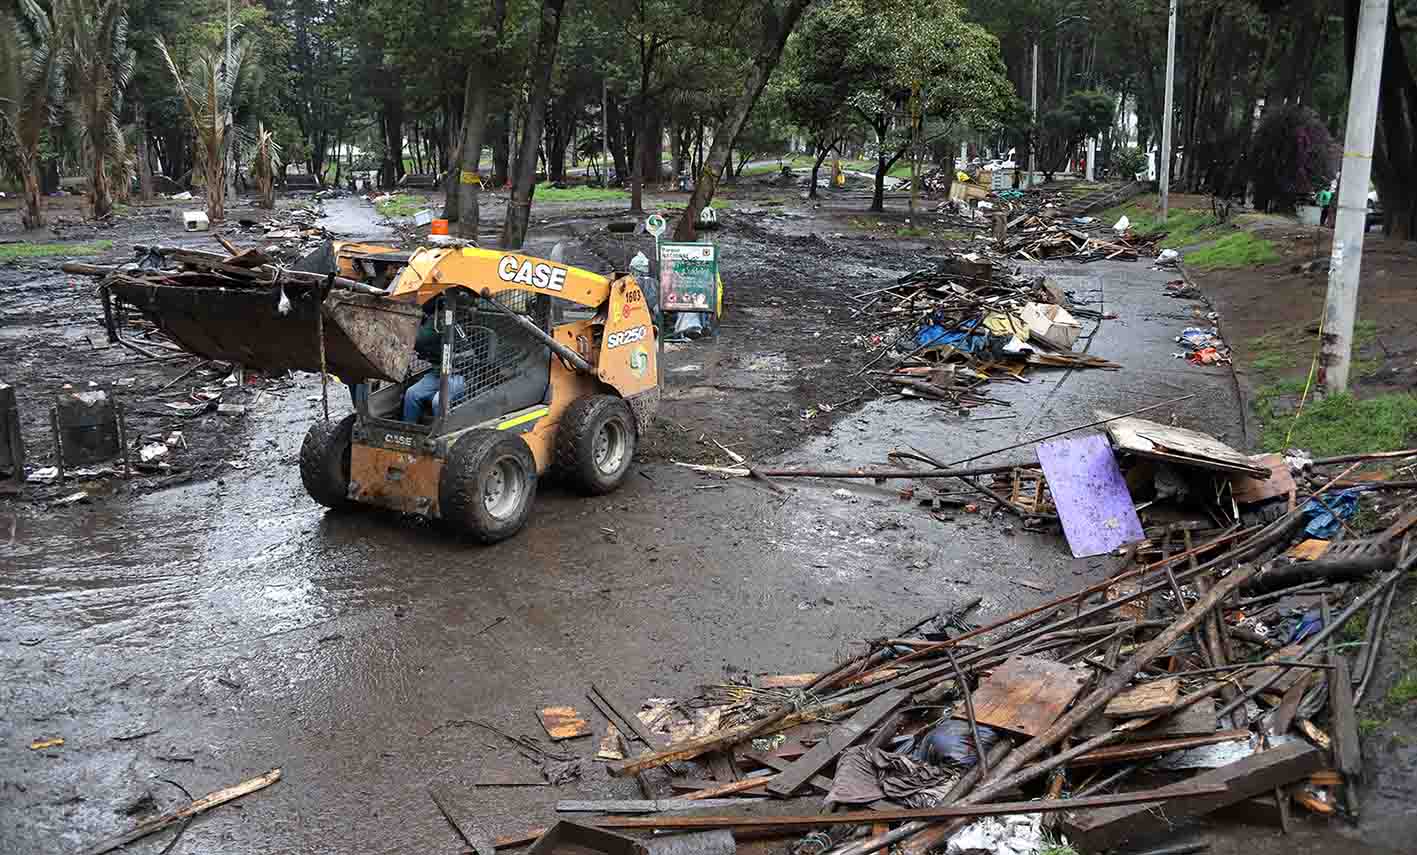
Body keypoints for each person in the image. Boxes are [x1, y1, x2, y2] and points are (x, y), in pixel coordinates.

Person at [402, 297, 466, 422]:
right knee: (412, 394)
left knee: (438, 401)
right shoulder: (436, 319)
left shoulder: (441, 321)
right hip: (438, 373)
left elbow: (420, 339)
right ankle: (408, 427)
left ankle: (438, 434)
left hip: (459, 375)